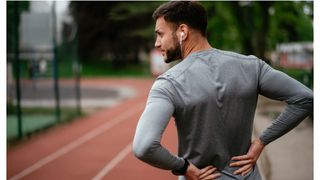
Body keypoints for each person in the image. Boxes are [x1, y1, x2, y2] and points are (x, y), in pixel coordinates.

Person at [132, 1, 313, 180]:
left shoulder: (168, 83)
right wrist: (261, 142)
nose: (157, 43)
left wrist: (184, 167)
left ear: (183, 32)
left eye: (160, 34)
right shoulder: (251, 66)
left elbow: (144, 146)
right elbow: (305, 98)